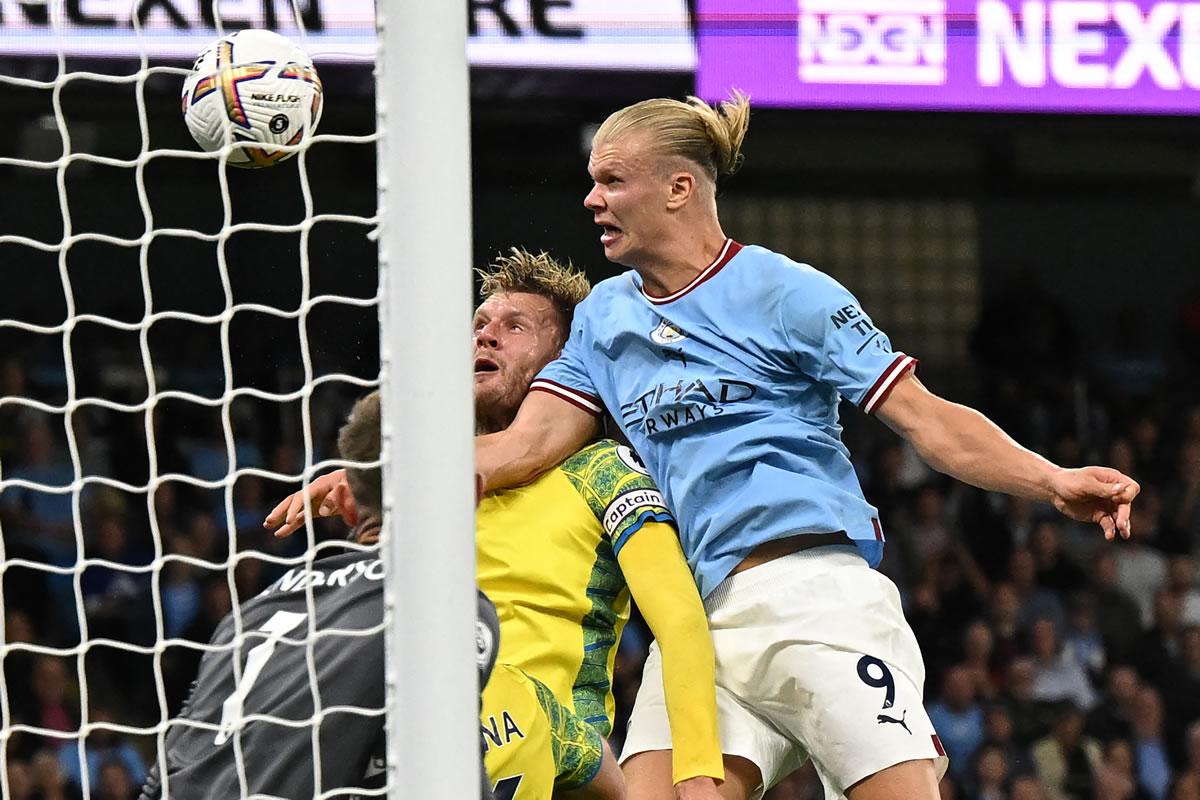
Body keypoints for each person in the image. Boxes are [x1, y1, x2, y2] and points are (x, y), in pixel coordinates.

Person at [271, 95, 1139, 800]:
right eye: (591, 181)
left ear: (679, 188)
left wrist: (1049, 478)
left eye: (611, 180)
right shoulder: (606, 320)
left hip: (817, 595)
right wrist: (387, 481)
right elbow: (527, 443)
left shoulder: (786, 291)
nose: (591, 200)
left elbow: (926, 419)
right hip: (702, 624)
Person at [267, 249, 723, 797]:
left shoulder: (605, 472)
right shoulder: (432, 487)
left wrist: (697, 771)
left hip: (547, 740)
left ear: (565, 358)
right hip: (425, 723)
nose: (485, 337)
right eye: (479, 326)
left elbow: (679, 622)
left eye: (514, 327)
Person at [143, 392, 626, 800]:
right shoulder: (437, 604)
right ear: (473, 492)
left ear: (348, 507)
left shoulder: (255, 611)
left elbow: (173, 760)